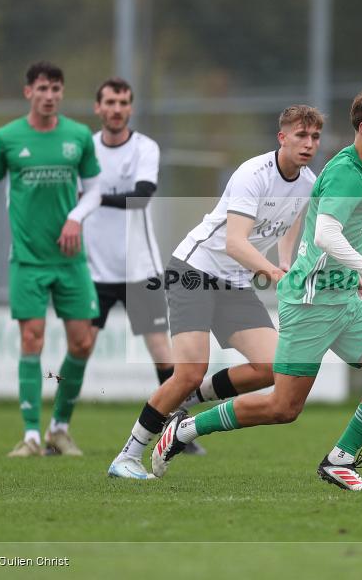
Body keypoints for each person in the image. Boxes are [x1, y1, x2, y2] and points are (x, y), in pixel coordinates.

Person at [150, 88, 362, 492]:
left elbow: (330, 232)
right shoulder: (346, 172)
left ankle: (340, 460)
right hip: (312, 303)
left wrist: (353, 271)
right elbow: (326, 234)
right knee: (283, 407)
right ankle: (186, 429)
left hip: (343, 299)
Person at [107, 105, 324, 480]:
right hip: (194, 271)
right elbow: (234, 243)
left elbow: (293, 222)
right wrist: (275, 274)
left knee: (272, 366)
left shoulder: (308, 182)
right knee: (189, 371)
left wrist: (286, 261)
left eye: (315, 137)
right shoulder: (253, 174)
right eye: (301, 135)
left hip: (235, 282)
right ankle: (127, 456)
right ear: (282, 138)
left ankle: (186, 401)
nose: (309, 144)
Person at [0, 61, 103, 458]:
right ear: (28, 93)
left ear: (62, 92)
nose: (49, 96)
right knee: (31, 338)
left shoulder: (78, 136)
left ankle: (59, 429)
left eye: (56, 89)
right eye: (42, 89)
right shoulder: (6, 139)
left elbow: (94, 191)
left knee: (83, 342)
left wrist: (75, 217)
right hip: (27, 259)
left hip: (70, 260)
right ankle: (32, 436)